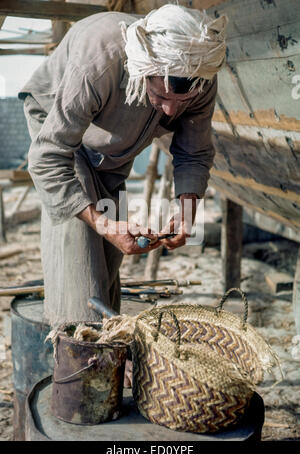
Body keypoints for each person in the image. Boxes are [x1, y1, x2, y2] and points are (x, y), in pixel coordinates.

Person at [19, 5, 227, 327]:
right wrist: (102, 223)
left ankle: (108, 352)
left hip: (112, 152)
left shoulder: (198, 73)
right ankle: (79, 348)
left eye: (181, 101)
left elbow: (194, 152)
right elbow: (48, 154)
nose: (171, 110)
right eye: (161, 94)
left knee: (108, 259)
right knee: (80, 268)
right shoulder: (100, 62)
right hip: (58, 132)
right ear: (145, 68)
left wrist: (186, 211)